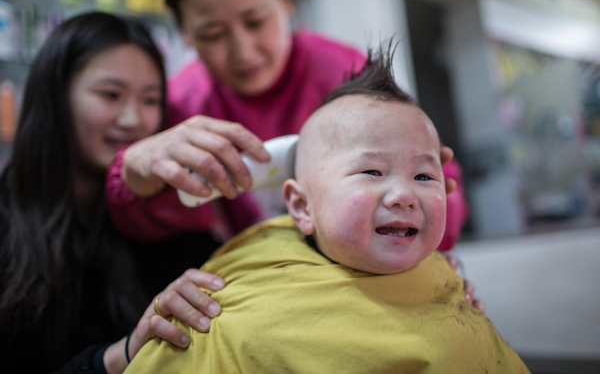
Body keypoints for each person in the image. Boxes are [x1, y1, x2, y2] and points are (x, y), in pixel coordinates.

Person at [124, 49, 529, 373]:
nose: (404, 195)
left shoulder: (448, 281)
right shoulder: (234, 300)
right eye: (372, 171)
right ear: (300, 206)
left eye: (425, 176)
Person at [106, 0, 469, 252]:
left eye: (255, 22)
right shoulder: (183, 105)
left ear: (286, 3)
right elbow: (155, 227)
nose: (243, 52)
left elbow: (440, 187)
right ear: (184, 32)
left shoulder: (342, 70)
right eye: (213, 33)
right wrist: (134, 172)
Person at [0, 12, 226, 374]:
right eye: (111, 94)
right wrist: (123, 354)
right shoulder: (9, 223)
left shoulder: (154, 217)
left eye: (151, 100)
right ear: (56, 96)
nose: (134, 119)